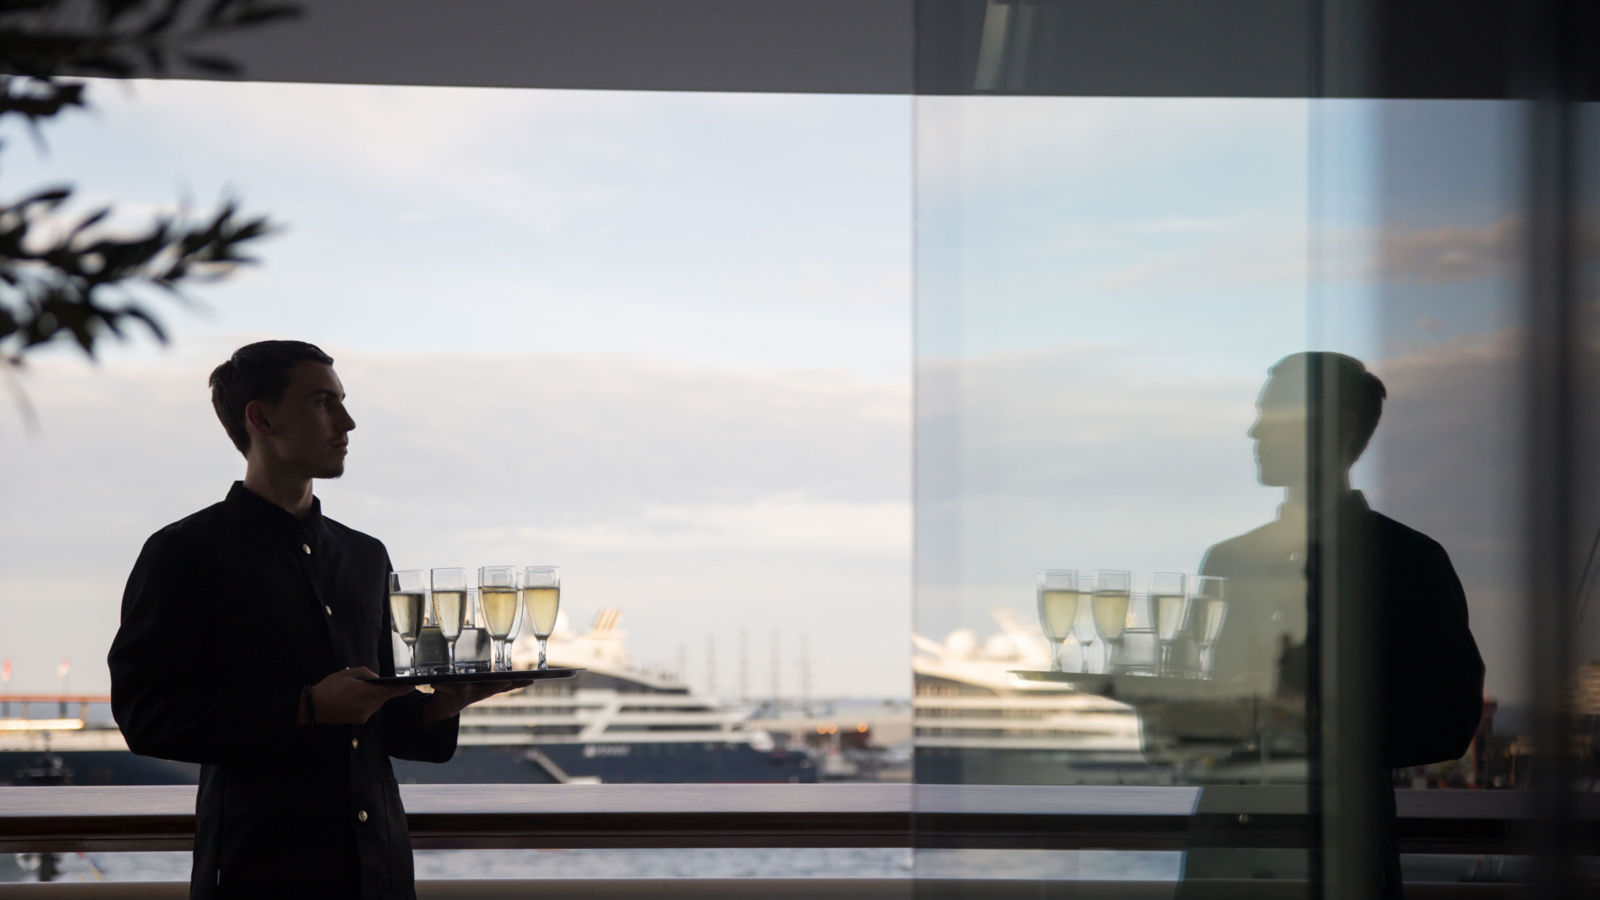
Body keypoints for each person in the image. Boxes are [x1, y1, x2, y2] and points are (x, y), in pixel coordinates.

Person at [108, 340, 511, 899]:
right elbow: (144, 715)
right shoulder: (183, 553)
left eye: (342, 401)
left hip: (380, 873)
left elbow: (381, 717)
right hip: (258, 873)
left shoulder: (367, 555)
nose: (347, 421)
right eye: (323, 402)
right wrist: (306, 707)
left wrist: (443, 704)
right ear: (261, 416)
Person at [1180, 352, 1484, 898]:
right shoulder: (1228, 561)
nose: (1254, 430)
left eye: (1273, 415)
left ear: (1337, 427)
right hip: (1226, 861)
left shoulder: (1409, 562)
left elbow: (1452, 722)